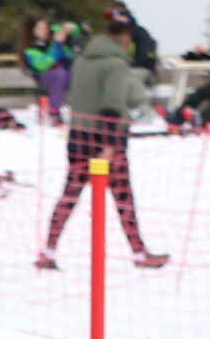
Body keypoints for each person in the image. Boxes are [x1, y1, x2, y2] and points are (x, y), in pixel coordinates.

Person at [38, 19, 167, 271]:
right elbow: (112, 103)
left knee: (70, 194)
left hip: (78, 135)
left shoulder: (82, 61)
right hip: (105, 139)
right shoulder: (116, 65)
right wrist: (110, 144)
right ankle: (139, 252)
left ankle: (49, 249)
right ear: (125, 41)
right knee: (123, 197)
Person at [24, 16, 75, 126]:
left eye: (45, 28)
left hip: (64, 76)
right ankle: (55, 113)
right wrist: (56, 44)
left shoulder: (52, 42)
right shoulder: (30, 48)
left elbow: (68, 57)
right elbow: (43, 64)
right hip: (44, 76)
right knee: (59, 74)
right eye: (39, 28)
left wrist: (64, 38)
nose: (43, 31)